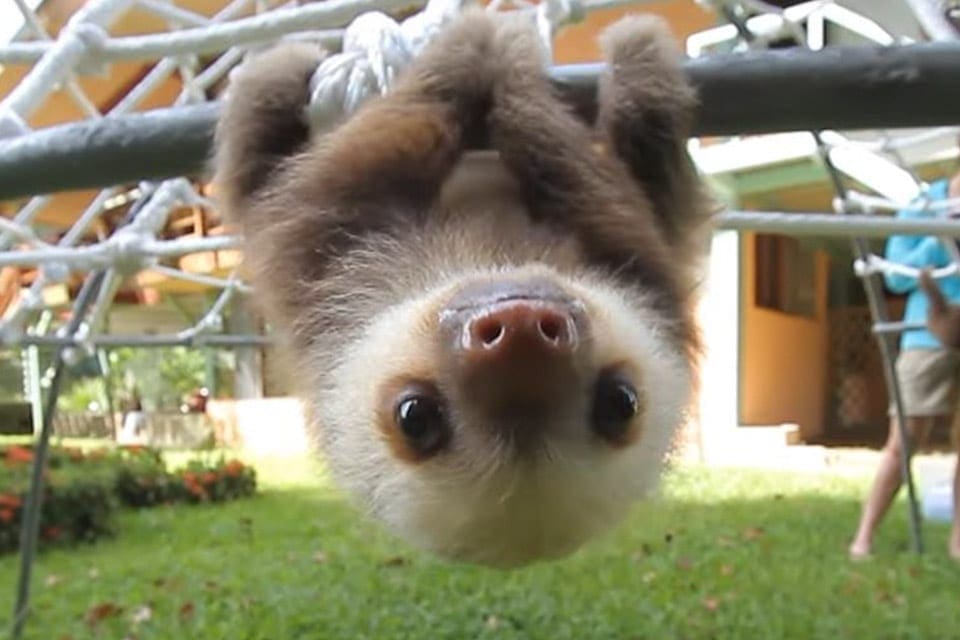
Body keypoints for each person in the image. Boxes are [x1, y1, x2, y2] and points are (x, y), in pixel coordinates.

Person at [849, 168, 960, 560]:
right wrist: (941, 238)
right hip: (926, 334)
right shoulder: (923, 204)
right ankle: (864, 537)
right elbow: (895, 277)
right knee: (904, 440)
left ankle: (958, 542)